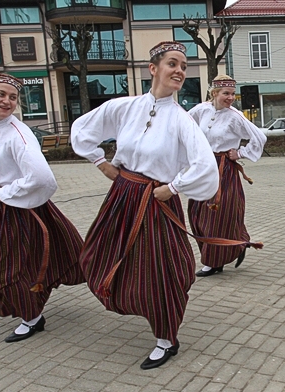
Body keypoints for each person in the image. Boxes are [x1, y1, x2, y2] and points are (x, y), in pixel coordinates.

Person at [71, 41, 219, 370]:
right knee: (100, 254)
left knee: (162, 270)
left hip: (155, 202)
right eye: (172, 63)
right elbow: (83, 129)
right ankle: (126, 297)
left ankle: (167, 338)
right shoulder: (125, 107)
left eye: (183, 66)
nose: (179, 70)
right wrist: (101, 162)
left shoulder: (181, 119)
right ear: (153, 68)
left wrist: (174, 187)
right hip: (122, 196)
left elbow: (205, 165)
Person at [0, 72, 85, 343]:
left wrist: (5, 193)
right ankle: (29, 308)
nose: (7, 101)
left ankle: (32, 317)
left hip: (12, 209)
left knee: (10, 267)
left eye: (13, 97)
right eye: (1, 94)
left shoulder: (19, 134)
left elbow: (43, 178)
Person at [188, 75, 267, 277]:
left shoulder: (235, 116)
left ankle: (214, 261)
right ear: (214, 93)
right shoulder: (201, 110)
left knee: (217, 216)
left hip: (224, 170)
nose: (231, 98)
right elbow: (185, 127)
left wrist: (240, 153)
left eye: (233, 94)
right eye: (226, 93)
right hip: (203, 167)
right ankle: (237, 243)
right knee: (196, 213)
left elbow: (259, 137)